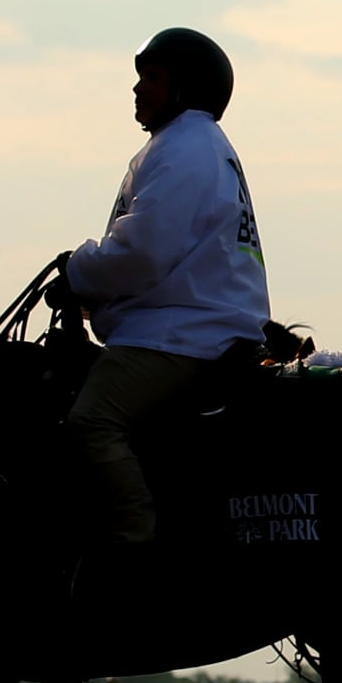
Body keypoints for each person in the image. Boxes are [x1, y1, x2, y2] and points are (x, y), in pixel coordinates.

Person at [48, 28, 270, 543]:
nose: (138, 88)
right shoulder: (189, 145)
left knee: (91, 422)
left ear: (183, 89)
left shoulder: (184, 149)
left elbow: (141, 254)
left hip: (180, 336)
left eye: (151, 77)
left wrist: (77, 272)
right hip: (188, 327)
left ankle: (133, 547)